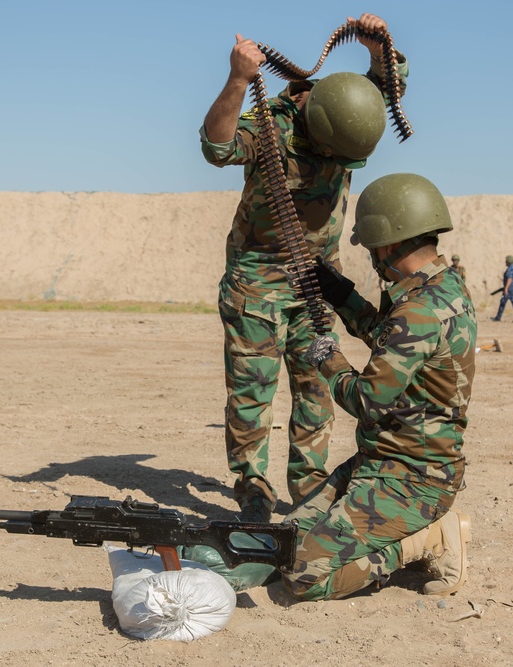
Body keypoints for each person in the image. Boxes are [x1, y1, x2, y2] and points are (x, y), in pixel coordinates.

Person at [187, 173, 477, 600]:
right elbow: (392, 337)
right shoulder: (442, 289)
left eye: (375, 246)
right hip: (382, 462)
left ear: (391, 241)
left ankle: (427, 538)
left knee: (304, 575)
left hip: (412, 481)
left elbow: (366, 400)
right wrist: (343, 296)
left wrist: (328, 358)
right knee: (287, 536)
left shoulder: (418, 311)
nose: (374, 256)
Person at [200, 14, 408, 523]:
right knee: (253, 390)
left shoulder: (348, 110)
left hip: (317, 281)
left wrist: (378, 50)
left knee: (316, 387)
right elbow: (216, 146)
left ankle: (309, 480)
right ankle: (251, 482)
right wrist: (236, 79)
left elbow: (387, 90)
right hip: (257, 281)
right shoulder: (274, 124)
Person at [492, 255, 513, 322]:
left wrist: (506, 288)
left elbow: (509, 279)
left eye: (506, 261)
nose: (505, 262)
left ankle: (498, 317)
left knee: (502, 302)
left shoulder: (509, 270)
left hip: (509, 289)